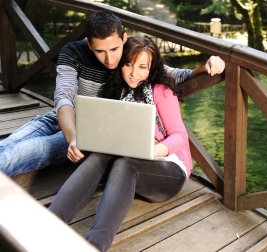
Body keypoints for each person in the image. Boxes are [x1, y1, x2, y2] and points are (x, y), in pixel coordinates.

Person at [0, 11, 225, 177]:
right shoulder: (72, 53)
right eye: (100, 51)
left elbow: (174, 74)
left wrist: (206, 66)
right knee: (5, 147)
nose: (110, 59)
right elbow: (63, 97)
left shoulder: (128, 58)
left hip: (89, 131)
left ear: (124, 39)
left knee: (11, 156)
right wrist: (72, 137)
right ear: (89, 44)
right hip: (61, 119)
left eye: (114, 49)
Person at [49, 35, 192, 252]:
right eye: (128, 64)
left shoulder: (161, 91)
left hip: (168, 169)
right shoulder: (117, 90)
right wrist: (80, 143)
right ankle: (50, 223)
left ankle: (95, 245)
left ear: (152, 68)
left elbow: (180, 136)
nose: (135, 73)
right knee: (101, 155)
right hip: (125, 161)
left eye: (143, 67)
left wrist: (151, 150)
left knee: (127, 164)